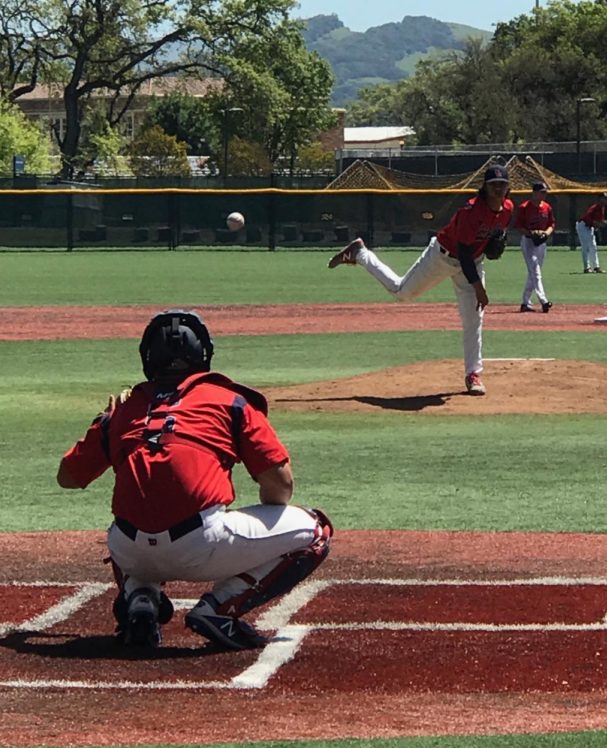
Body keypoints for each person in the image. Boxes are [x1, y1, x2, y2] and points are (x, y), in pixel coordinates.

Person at [57, 309, 333, 651]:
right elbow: (281, 487)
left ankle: (140, 599)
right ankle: (219, 608)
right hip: (201, 544)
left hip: (128, 551)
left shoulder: (122, 412)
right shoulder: (230, 401)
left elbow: (67, 478)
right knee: (316, 531)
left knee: (129, 519)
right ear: (204, 355)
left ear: (147, 358)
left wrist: (102, 423)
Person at [327, 164, 515, 397]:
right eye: (493, 185)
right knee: (402, 292)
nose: (498, 189)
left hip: (473, 261)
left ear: (509, 188)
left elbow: (485, 243)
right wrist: (479, 288)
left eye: (502, 185)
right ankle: (361, 254)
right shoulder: (471, 211)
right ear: (484, 188)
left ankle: (473, 374)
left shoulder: (507, 208)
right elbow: (464, 252)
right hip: (443, 256)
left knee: (474, 318)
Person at [513, 181, 556, 313]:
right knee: (536, 272)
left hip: (541, 243)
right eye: (542, 192)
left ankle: (525, 302)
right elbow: (518, 226)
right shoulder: (524, 207)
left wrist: (546, 234)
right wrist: (530, 233)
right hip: (528, 243)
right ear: (534, 193)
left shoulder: (547, 207)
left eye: (545, 192)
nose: (544, 194)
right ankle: (543, 301)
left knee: (533, 273)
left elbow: (551, 224)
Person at [576, 192, 607, 273]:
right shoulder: (595, 207)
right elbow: (588, 218)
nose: (605, 199)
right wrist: (597, 224)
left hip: (589, 227)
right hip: (583, 226)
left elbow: (599, 222)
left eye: (606, 198)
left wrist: (600, 224)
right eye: (604, 198)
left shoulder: (603, 208)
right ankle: (586, 268)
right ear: (600, 199)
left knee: (593, 246)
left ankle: (596, 267)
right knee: (586, 247)